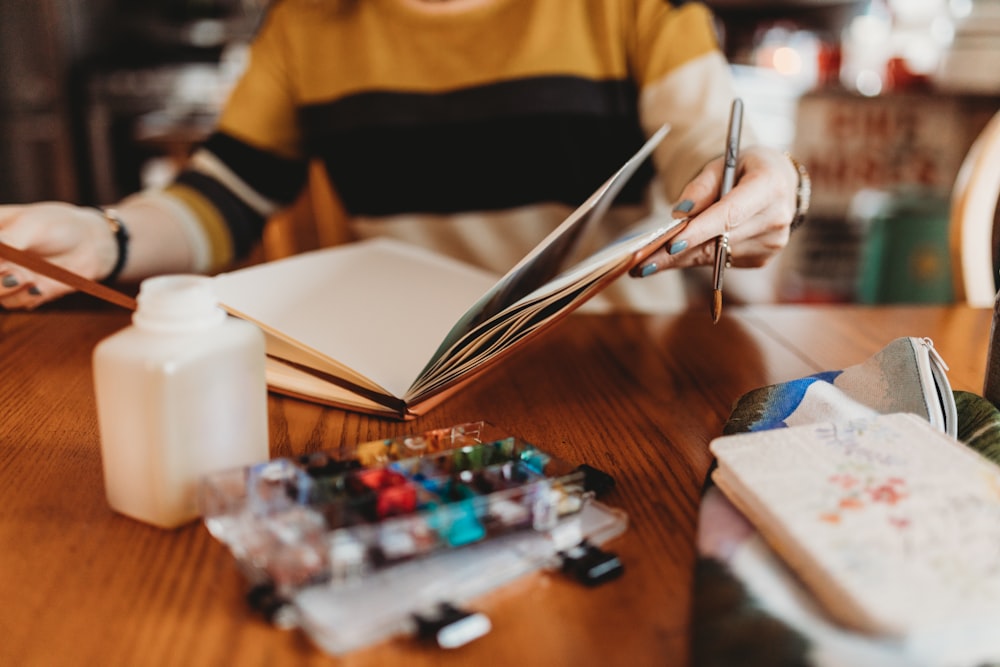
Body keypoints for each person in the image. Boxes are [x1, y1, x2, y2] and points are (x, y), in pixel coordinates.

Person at [0, 0, 806, 312]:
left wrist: (771, 187)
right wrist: (106, 236)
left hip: (617, 353)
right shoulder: (305, 24)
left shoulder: (634, 7)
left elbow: (709, 152)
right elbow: (221, 198)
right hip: (409, 368)